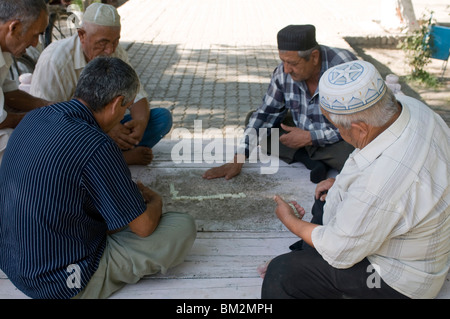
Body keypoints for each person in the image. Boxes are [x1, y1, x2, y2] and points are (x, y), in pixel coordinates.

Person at [0, 56, 196, 299]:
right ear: (116, 104)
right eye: (126, 108)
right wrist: (156, 202)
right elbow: (143, 227)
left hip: (13, 264)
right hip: (59, 283)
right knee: (181, 226)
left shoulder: (35, 117)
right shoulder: (98, 145)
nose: (124, 114)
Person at [261, 60, 449, 299]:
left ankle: (303, 267)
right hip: (420, 243)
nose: (339, 132)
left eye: (338, 127)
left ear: (360, 128)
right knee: (325, 198)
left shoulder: (380, 183)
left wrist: (290, 222)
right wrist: (341, 184)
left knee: (282, 274)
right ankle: (307, 261)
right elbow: (370, 165)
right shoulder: (412, 107)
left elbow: (340, 250)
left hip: (399, 279)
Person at [203, 25, 357, 183]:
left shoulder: (344, 68)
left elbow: (359, 123)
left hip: (337, 138)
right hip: (301, 131)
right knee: (256, 122)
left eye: (292, 63)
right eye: (283, 61)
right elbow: (265, 114)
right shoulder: (283, 73)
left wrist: (311, 137)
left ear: (314, 57)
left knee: (356, 154)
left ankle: (310, 155)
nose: (286, 69)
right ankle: (311, 160)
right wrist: (239, 158)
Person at [30, 2, 172, 165]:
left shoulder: (116, 52)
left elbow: (136, 94)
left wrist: (140, 123)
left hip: (106, 130)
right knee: (56, 146)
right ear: (82, 35)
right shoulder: (55, 60)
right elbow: (44, 120)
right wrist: (104, 128)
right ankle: (116, 159)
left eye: (115, 41)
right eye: (102, 43)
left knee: (161, 118)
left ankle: (105, 157)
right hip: (70, 134)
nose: (110, 50)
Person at [0, 0, 51, 163]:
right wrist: (39, 117)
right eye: (35, 34)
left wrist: (48, 105)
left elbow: (9, 93)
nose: (35, 43)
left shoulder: (5, 48)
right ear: (13, 28)